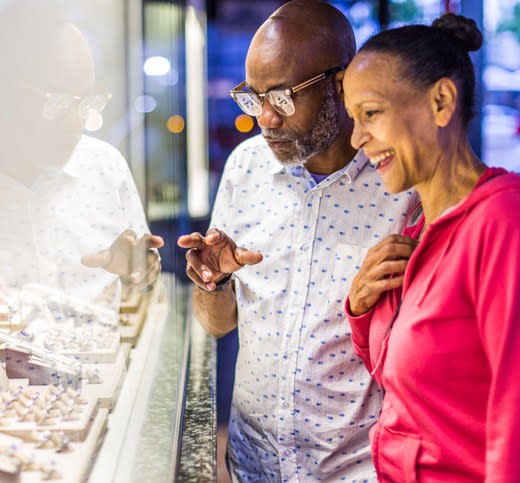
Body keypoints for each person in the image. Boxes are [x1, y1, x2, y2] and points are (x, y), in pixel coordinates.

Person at [177, 1, 417, 480]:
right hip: (252, 466)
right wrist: (211, 283)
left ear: (341, 83)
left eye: (283, 96)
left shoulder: (402, 187)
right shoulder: (246, 168)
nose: (264, 117)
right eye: (252, 97)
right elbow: (218, 325)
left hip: (357, 471)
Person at [342, 13, 520, 481]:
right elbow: (408, 383)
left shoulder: (509, 222)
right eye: (353, 119)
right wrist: (362, 307)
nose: (356, 139)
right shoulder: (417, 230)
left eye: (371, 113)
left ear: (442, 101)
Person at [0, 1, 162, 305]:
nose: (79, 119)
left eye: (87, 99)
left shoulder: (105, 168)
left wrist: (137, 273)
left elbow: (146, 296)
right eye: (59, 102)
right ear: (0, 92)